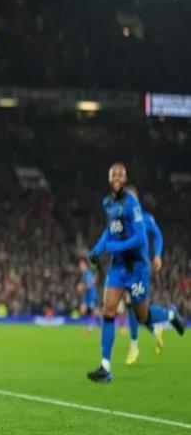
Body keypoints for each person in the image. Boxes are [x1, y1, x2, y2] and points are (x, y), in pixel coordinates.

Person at [86, 163, 185, 383]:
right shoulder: (107, 203)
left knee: (143, 316)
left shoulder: (133, 205)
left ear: (125, 178)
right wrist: (97, 249)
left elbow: (141, 238)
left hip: (137, 268)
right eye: (113, 175)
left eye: (120, 175)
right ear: (109, 178)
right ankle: (105, 367)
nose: (117, 178)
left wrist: (117, 247)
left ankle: (170, 315)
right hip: (118, 267)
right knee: (108, 310)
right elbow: (109, 231)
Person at [124, 185, 164, 365]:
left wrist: (157, 255)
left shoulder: (146, 219)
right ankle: (156, 328)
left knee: (132, 304)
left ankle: (134, 345)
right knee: (137, 310)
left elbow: (158, 236)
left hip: (140, 269)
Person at [77, 258, 100, 333]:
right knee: (83, 310)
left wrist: (82, 287)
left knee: (95, 312)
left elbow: (90, 285)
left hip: (92, 295)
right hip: (87, 296)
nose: (80, 267)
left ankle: (99, 326)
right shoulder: (84, 274)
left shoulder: (88, 273)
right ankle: (90, 325)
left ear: (85, 265)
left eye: (81, 265)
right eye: (79, 265)